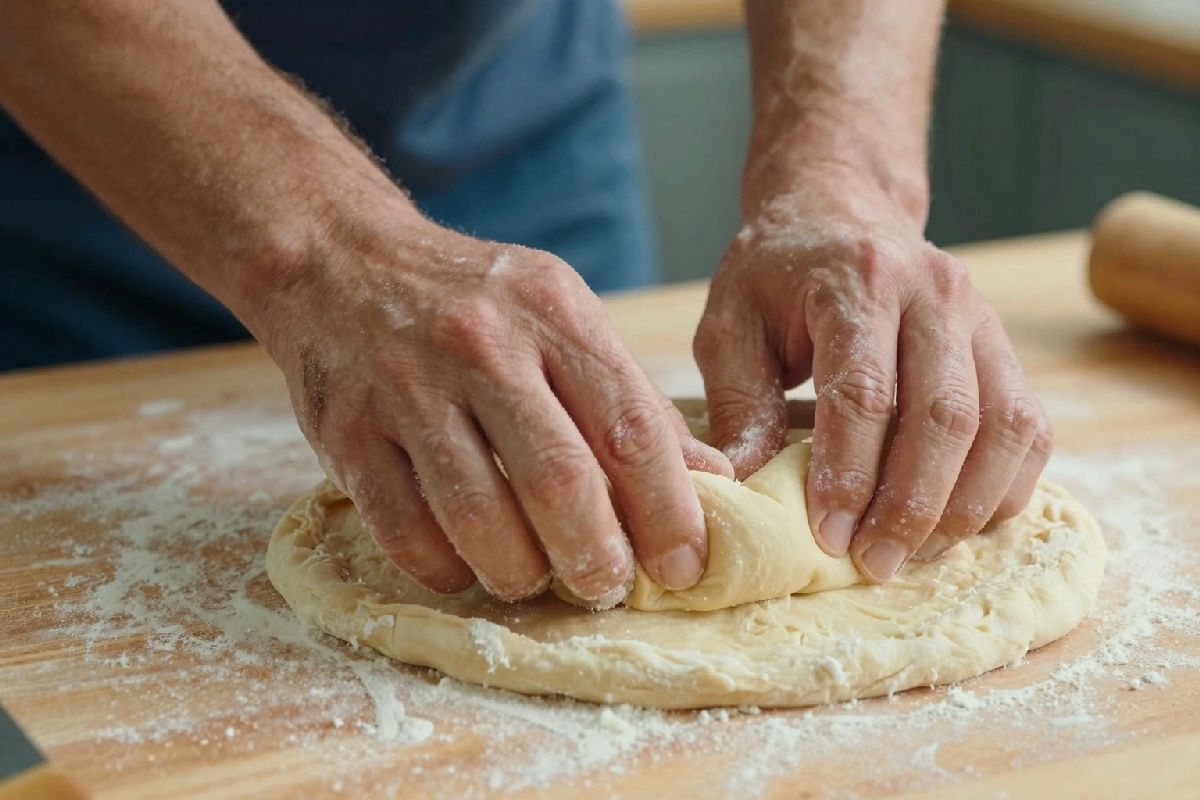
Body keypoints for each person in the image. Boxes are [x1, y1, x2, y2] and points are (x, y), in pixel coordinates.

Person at [0, 1, 1052, 608]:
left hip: (517, 121)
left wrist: (844, 178)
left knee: (596, 462)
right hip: (77, 178)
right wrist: (324, 248)